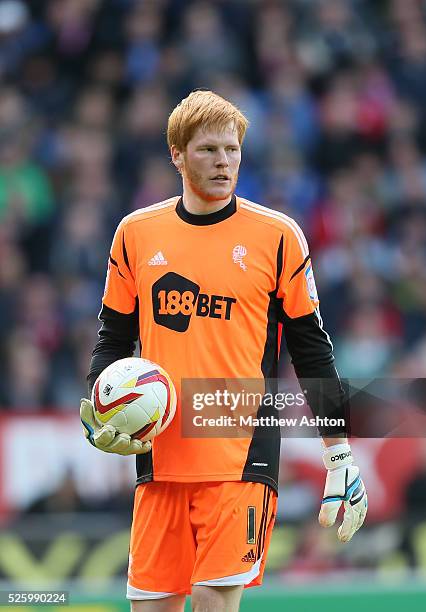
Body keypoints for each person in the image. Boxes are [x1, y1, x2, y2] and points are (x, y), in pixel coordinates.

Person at [80, 90, 367, 612]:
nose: (224, 162)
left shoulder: (278, 237)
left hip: (240, 459)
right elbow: (113, 343)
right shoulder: (135, 235)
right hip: (159, 459)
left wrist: (340, 455)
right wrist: (96, 413)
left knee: (215, 603)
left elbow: (312, 351)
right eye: (209, 150)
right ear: (177, 154)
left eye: (233, 150)